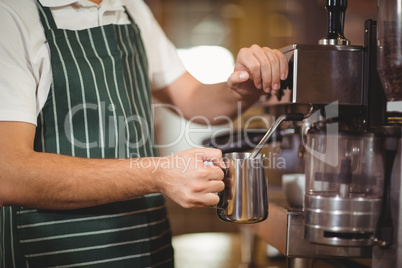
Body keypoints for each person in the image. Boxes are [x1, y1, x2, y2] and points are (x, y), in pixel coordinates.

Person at [0, 0, 288, 267]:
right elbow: (9, 174)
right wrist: (158, 173)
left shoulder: (130, 8)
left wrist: (245, 84)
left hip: (150, 249)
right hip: (59, 254)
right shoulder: (12, 14)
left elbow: (192, 98)